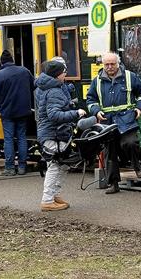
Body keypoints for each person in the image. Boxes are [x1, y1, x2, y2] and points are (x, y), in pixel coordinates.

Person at [85, 52, 141, 194]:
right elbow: (90, 99)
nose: (109, 67)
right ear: (103, 65)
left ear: (118, 63)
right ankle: (113, 183)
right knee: (110, 153)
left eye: (112, 64)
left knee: (130, 143)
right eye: (106, 64)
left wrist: (139, 108)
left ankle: (136, 165)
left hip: (127, 119)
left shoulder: (129, 77)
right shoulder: (97, 81)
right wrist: (96, 111)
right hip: (107, 122)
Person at [35, 59, 88, 211]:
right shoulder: (55, 90)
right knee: (55, 165)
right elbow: (54, 115)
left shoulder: (48, 88)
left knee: (63, 164)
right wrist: (76, 113)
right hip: (54, 135)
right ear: (58, 75)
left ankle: (54, 195)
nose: (65, 74)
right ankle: (47, 200)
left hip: (53, 133)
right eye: (64, 72)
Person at [0, 49, 36, 175]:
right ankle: (22, 167)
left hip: (7, 111)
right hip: (23, 110)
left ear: (2, 63)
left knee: (8, 139)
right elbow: (33, 85)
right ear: (13, 60)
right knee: (21, 137)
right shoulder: (24, 71)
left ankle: (10, 168)